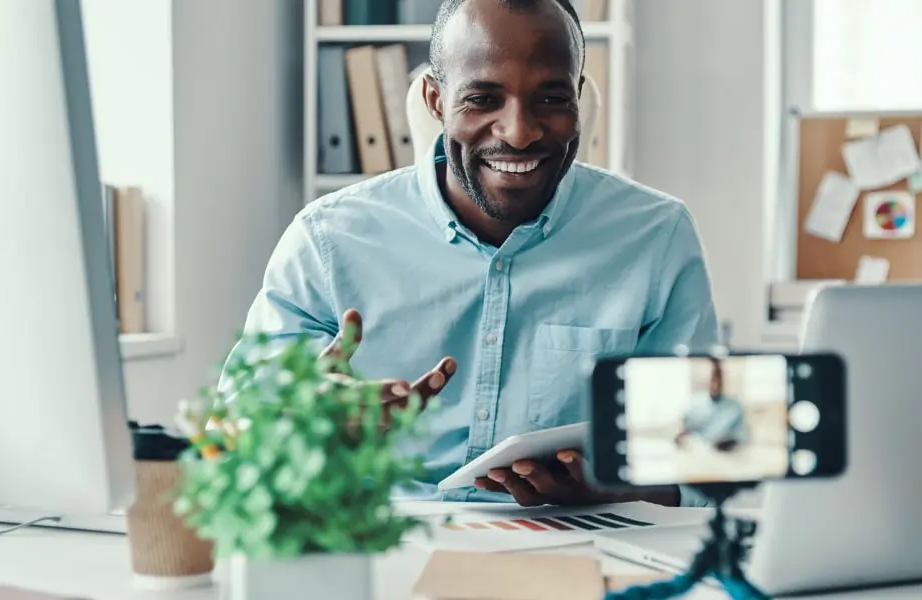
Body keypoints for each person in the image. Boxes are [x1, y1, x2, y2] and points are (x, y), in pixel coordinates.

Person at [223, 0, 719, 508]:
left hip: (576, 543)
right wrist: (305, 416)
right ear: (436, 101)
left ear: (579, 97)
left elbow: (707, 464)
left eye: (550, 98)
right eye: (483, 99)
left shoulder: (655, 236)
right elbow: (232, 436)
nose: (519, 131)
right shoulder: (327, 240)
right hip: (380, 540)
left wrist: (611, 484)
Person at [674, 360, 750, 452]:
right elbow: (685, 429)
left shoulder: (734, 406)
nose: (716, 384)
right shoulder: (695, 404)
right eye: (712, 379)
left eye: (719, 379)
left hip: (726, 453)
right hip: (700, 451)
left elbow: (743, 438)